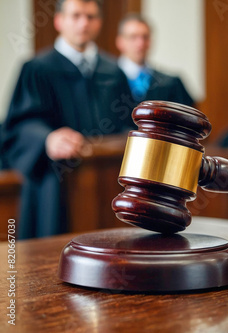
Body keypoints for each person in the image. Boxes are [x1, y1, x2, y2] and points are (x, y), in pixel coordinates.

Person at [0, 0, 135, 239]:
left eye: (91, 16)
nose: (84, 23)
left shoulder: (113, 71)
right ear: (59, 21)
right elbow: (18, 126)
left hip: (107, 185)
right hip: (54, 185)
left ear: (99, 22)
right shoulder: (37, 69)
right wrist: (46, 139)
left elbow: (127, 122)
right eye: (76, 16)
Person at [116, 14, 194, 106]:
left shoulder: (170, 84)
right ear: (120, 41)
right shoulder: (104, 81)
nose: (140, 43)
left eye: (145, 37)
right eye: (133, 37)